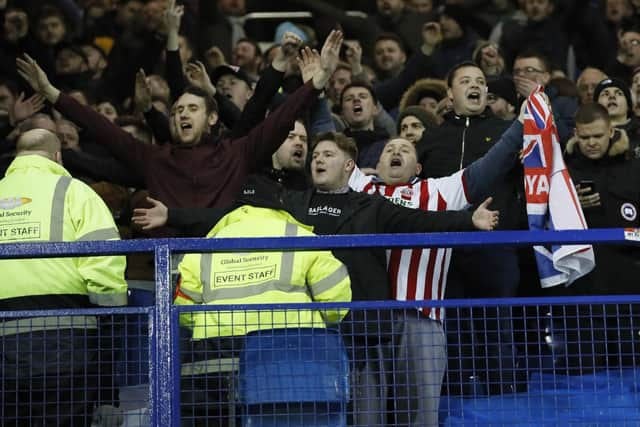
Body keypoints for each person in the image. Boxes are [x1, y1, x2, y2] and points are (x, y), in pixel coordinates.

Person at [133, 131, 499, 426]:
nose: (319, 159)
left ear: (349, 165)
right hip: (315, 331)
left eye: (328, 154)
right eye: (316, 155)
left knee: (375, 415)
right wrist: (175, 215)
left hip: (364, 327)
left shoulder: (370, 205)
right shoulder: (293, 203)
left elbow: (422, 223)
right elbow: (233, 216)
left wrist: (469, 221)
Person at [15, 29, 344, 221]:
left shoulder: (237, 153)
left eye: (191, 109)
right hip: (170, 274)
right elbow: (102, 127)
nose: (181, 115)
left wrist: (318, 83)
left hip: (226, 268)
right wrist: (52, 93)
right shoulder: (154, 159)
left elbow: (281, 119)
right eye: (176, 111)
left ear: (212, 117)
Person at [347, 100, 526, 426]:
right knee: (365, 415)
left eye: (405, 149)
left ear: (417, 168)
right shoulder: (359, 187)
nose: (395, 152)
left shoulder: (440, 191)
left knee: (420, 416)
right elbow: (326, 156)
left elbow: (489, 166)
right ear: (377, 163)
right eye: (389, 149)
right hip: (366, 319)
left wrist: (521, 125)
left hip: (422, 316)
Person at [177, 201, 352, 426]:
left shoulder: (204, 247)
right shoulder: (300, 237)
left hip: (214, 353)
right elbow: (335, 300)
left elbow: (183, 309)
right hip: (289, 353)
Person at [0, 128, 127, 426]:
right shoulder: (76, 192)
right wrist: (111, 324)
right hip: (66, 339)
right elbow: (104, 264)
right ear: (57, 156)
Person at [416, 61, 524, 396]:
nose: (475, 86)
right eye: (465, 81)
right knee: (454, 325)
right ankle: (457, 397)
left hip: (495, 242)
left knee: (498, 324)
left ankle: (504, 398)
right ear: (450, 93)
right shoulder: (431, 139)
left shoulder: (508, 133)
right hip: (445, 246)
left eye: (480, 81)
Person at [553, 102, 640, 372]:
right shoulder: (562, 172)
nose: (591, 142)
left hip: (629, 284)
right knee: (584, 366)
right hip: (582, 287)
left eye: (597, 136)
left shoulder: (634, 168)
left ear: (611, 131)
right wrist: (570, 204)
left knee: (631, 365)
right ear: (575, 134)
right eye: (585, 136)